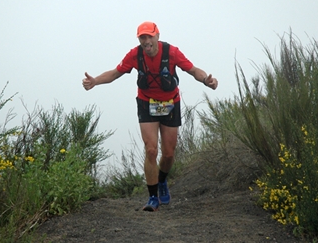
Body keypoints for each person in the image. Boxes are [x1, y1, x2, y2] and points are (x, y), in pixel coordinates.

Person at [82, 21, 218, 212]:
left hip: (171, 103)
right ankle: (153, 197)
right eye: (142, 37)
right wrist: (95, 81)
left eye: (149, 36)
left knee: (169, 153)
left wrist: (207, 80)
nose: (146, 41)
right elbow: (115, 73)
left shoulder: (171, 52)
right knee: (151, 150)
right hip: (147, 103)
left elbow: (193, 70)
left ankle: (162, 181)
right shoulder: (134, 55)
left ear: (157, 36)